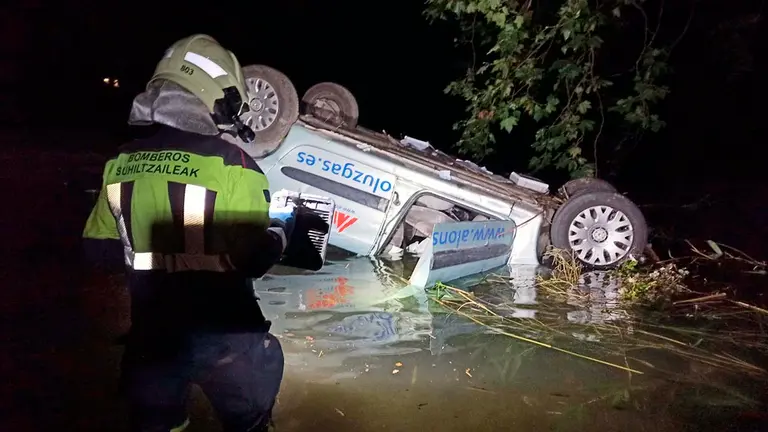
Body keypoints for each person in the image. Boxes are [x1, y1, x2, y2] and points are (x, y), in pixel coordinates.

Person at [82, 34, 293, 432]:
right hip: (227, 343)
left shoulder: (121, 162)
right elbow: (253, 259)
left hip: (152, 342)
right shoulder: (236, 166)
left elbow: (97, 253)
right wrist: (283, 228)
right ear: (220, 98)